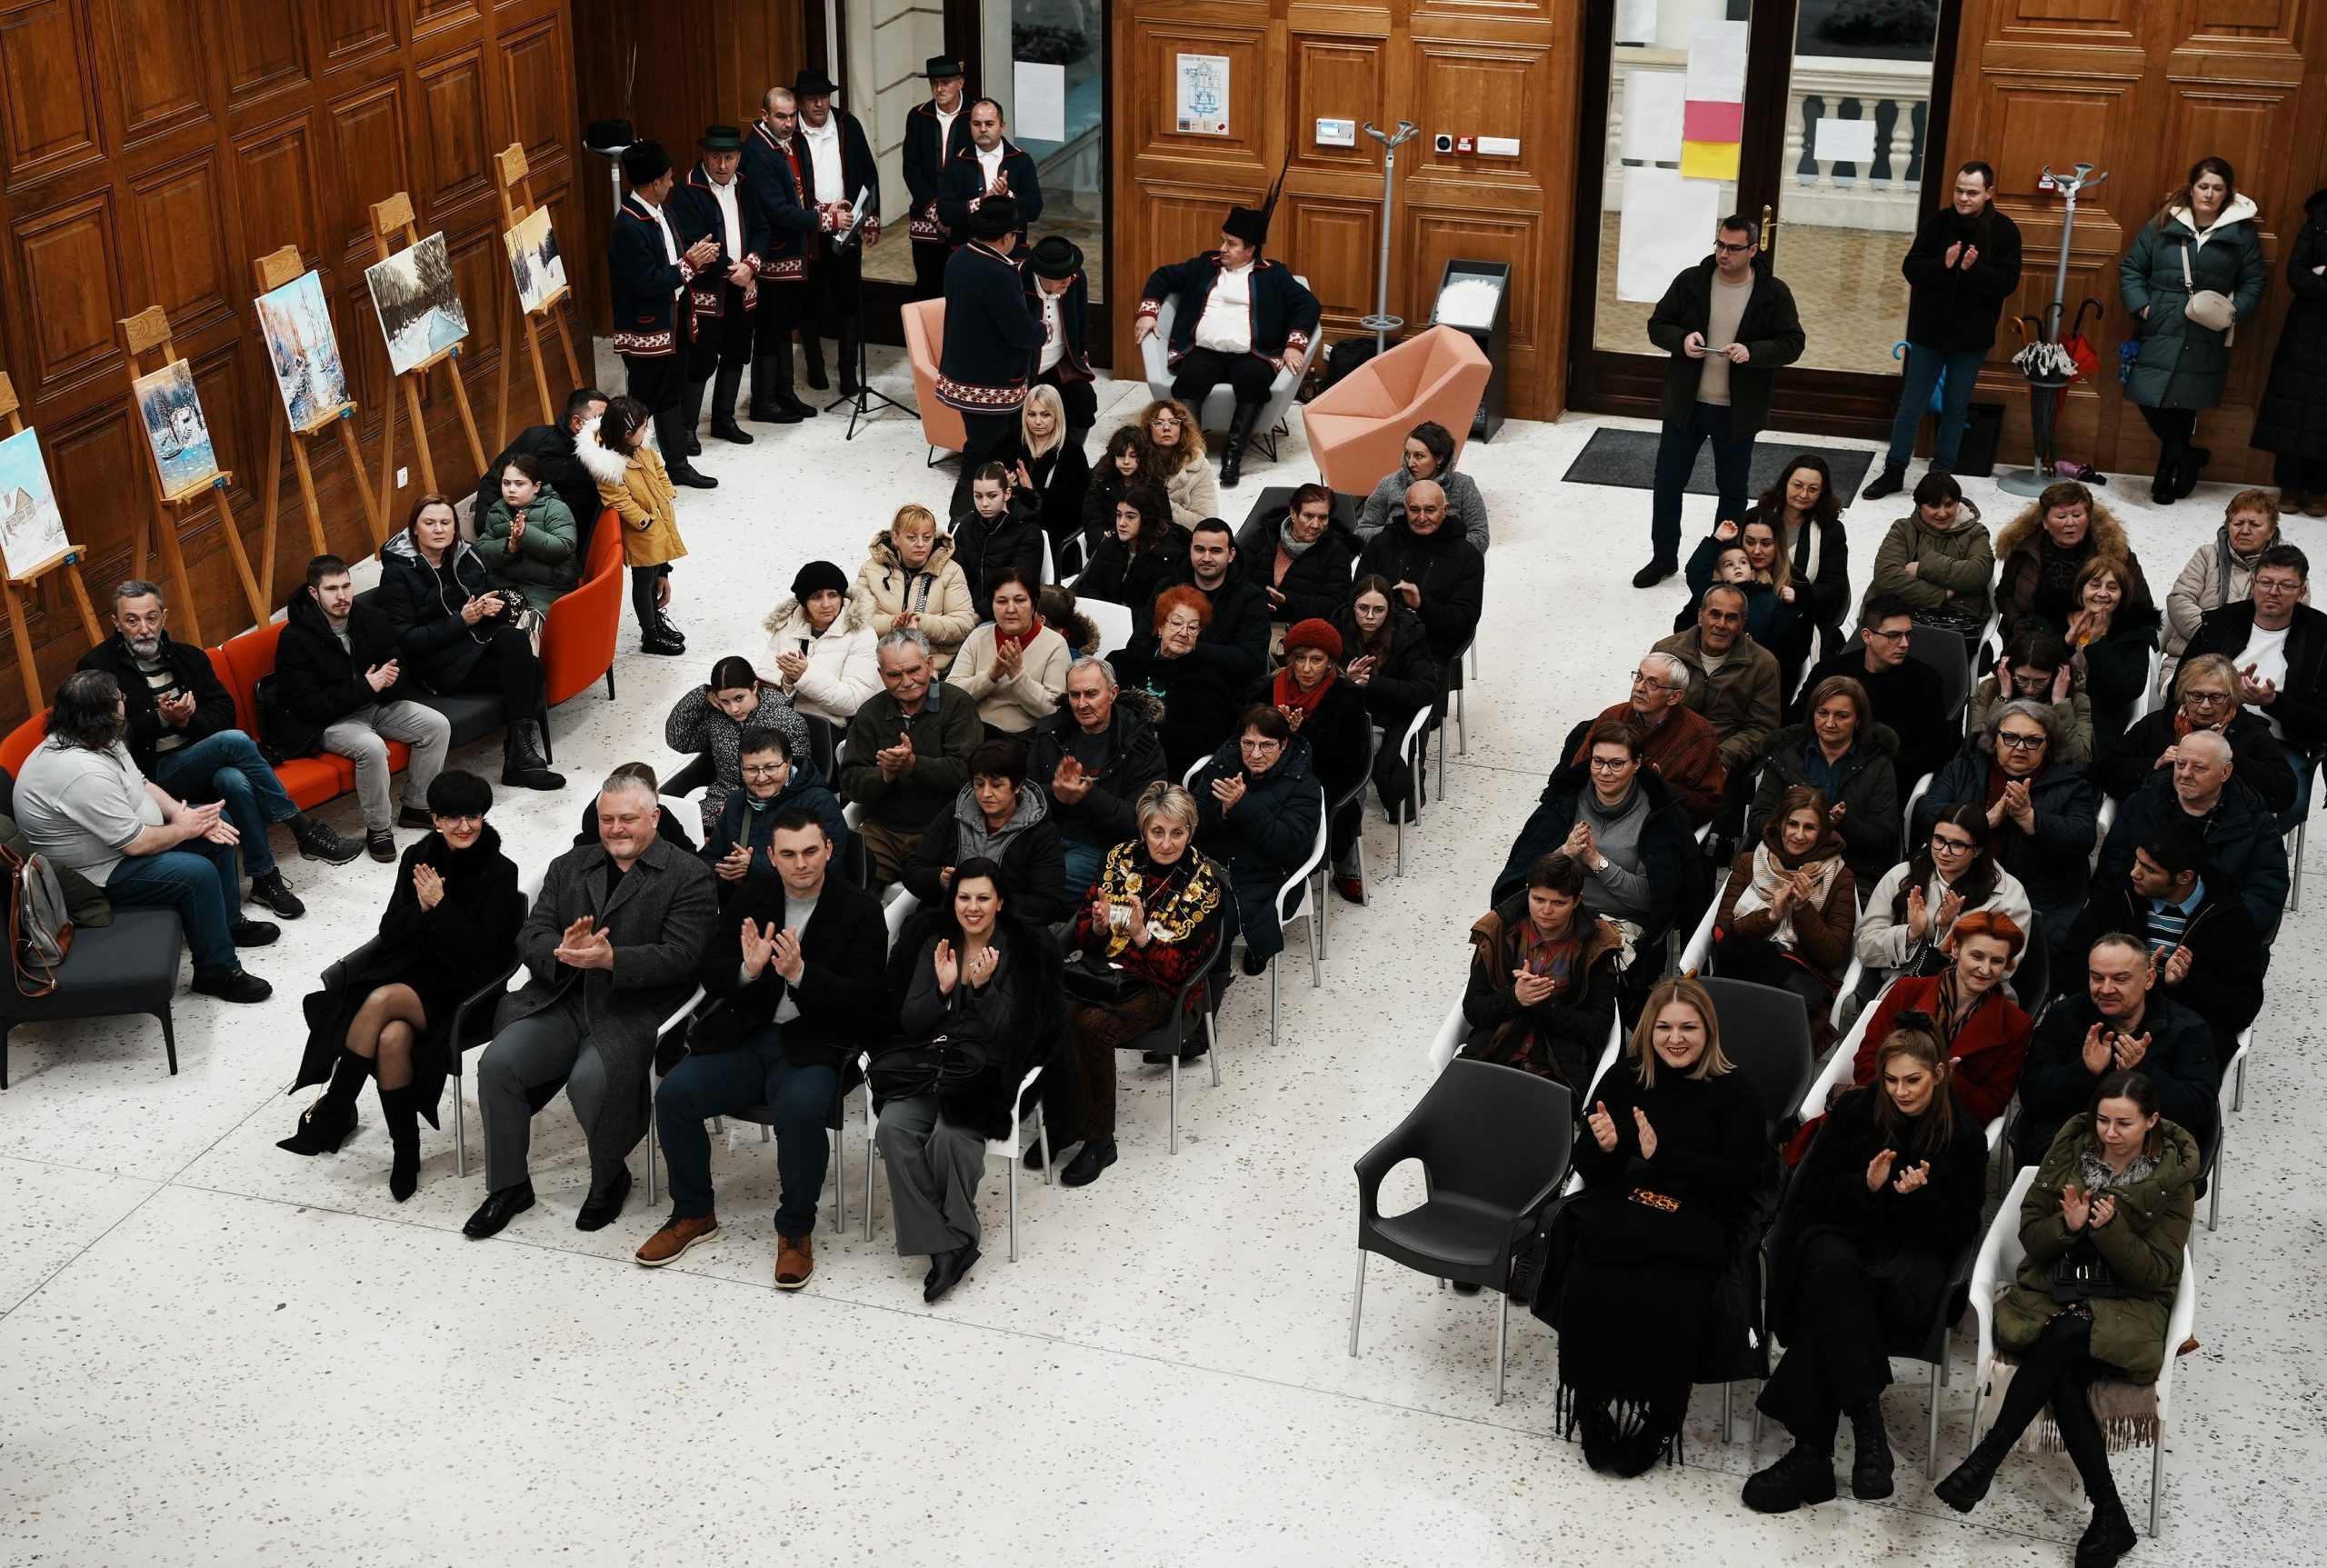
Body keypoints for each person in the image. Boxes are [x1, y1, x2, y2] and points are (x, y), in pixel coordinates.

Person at [1936, 1072, 2196, 1566]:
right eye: (2103, 1120)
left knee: (2066, 1332)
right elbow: (2031, 1236)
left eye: (2124, 1123)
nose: (2110, 1133)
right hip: (2058, 1288)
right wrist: (2068, 1226)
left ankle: (1988, 1457)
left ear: (2152, 1121)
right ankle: (2111, 1515)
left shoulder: (2172, 1179)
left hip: (2132, 1304)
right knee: (2064, 1371)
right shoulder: (2071, 1151)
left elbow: (2159, 1272)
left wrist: (2111, 1231)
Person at [464, 772, 719, 1241]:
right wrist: (561, 950)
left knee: (590, 1082)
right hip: (562, 998)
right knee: (498, 1065)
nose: (616, 828)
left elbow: (684, 957)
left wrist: (612, 959)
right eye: (607, 819)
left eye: (628, 819)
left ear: (654, 818)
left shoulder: (689, 875)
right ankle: (509, 1185)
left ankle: (609, 1178)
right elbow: (531, 934)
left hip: (633, 1009)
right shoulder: (569, 866)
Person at [1743, 1022, 1986, 1513]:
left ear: (1939, 1074)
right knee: (1831, 1268)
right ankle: (1867, 1425)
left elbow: (1961, 1232)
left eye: (1913, 1080)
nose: (1900, 1091)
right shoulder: (1856, 1112)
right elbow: (1810, 1198)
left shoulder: (1964, 1138)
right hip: (1844, 1240)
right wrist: (1867, 1186)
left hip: (1906, 1266)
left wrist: (1920, 1199)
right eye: (1891, 1079)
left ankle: (1812, 1456)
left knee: (1830, 1307)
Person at [642, 808, 884, 1287]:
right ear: (771, 856)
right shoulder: (752, 897)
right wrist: (747, 971)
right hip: (746, 1035)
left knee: (799, 1111)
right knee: (674, 1095)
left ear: (829, 850)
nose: (801, 863)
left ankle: (795, 1231)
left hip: (813, 1042)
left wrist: (802, 975)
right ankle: (694, 1213)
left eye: (810, 851)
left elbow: (866, 997)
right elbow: (712, 969)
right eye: (789, 854)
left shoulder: (860, 910)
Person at [1543, 976, 1765, 1474]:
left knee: (1667, 1297)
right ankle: (1592, 1402)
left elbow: (1736, 1178)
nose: (1675, 1038)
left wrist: (1663, 1154)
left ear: (1708, 1031)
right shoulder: (1625, 1079)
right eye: (1664, 1027)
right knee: (1591, 1283)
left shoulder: (1736, 1092)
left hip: (1698, 1216)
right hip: (1626, 1207)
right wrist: (1602, 1147)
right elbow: (1590, 1166)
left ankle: (1663, 1415)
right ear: (1648, 1030)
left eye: (1689, 1027)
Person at [280, 770, 524, 1198]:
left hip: (468, 989)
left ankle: (334, 1111)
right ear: (436, 819)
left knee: (380, 1000)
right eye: (453, 817)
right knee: (391, 1038)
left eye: (473, 816)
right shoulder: (418, 857)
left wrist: (441, 907)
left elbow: (484, 952)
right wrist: (423, 910)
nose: (464, 826)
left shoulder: (501, 871)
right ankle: (406, 1151)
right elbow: (390, 931)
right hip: (413, 972)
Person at [82, 580, 360, 910]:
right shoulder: (96, 668)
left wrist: (186, 722)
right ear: (116, 622)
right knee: (234, 741)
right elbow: (105, 737)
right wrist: (161, 720)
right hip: (150, 778)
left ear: (164, 617)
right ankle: (302, 827)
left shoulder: (189, 657)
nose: (144, 629)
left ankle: (264, 878)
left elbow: (225, 713)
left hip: (202, 763)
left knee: (234, 779)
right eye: (132, 620)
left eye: (151, 618)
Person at [13, 670, 275, 1003]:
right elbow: (136, 844)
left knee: (215, 822)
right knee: (196, 873)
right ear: (103, 712)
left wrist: (182, 815)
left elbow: (142, 783)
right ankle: (217, 971)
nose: (125, 702)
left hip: (122, 847)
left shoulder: (99, 737)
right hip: (98, 875)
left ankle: (228, 923)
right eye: (119, 698)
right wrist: (186, 829)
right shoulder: (79, 771)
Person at [875, 858, 1064, 1301]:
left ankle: (948, 1242)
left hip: (989, 1071)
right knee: (893, 1127)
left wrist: (983, 989)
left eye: (983, 898)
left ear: (1000, 902)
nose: (972, 907)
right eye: (964, 897)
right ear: (953, 899)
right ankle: (952, 1243)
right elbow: (910, 1020)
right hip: (931, 1064)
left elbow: (1017, 1034)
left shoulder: (1023, 949)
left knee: (950, 1137)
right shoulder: (935, 941)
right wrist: (941, 990)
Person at [1058, 784, 1228, 1183]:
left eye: (1177, 833)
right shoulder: (1119, 859)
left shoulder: (1205, 883)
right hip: (1104, 971)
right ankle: (1064, 1119)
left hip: (1161, 986)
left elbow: (1184, 971)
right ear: (1143, 830)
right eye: (1157, 832)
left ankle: (1100, 1140)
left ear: (1191, 832)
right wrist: (1098, 927)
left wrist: (1141, 937)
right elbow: (1083, 932)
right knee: (1055, 1015)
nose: (1166, 843)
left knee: (1093, 1027)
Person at [1635, 215, 1806, 587]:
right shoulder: (1691, 281)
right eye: (1719, 244)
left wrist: (1753, 352)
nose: (1723, 253)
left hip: (1737, 412)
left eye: (1733, 248)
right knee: (1667, 483)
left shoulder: (1772, 292)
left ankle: (1723, 562)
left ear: (1753, 250)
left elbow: (1793, 343)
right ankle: (1663, 558)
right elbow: (1658, 325)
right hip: (1687, 406)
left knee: (1732, 491)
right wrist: (1681, 340)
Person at [1134, 185, 1321, 487]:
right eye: (1223, 240)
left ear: (1250, 250)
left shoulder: (1274, 274)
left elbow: (1307, 304)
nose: (1222, 248)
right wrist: (1148, 312)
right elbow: (1163, 276)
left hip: (1252, 354)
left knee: (1254, 380)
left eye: (1231, 244)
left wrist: (1294, 345)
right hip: (1202, 352)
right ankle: (1191, 454)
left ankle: (1234, 455)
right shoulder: (1204, 265)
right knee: (1189, 379)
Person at [375, 494, 563, 790]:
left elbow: (496, 596)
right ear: (415, 530)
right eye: (429, 523)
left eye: (445, 522)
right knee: (529, 666)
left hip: (476, 647)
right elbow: (408, 641)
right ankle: (519, 761)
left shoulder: (468, 555)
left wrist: (496, 607)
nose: (439, 529)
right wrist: (461, 620)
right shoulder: (397, 574)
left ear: (455, 527)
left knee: (525, 657)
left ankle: (519, 758)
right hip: (436, 666)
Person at [272, 554, 453, 862]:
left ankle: (417, 806)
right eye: (332, 589)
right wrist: (367, 686)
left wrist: (391, 681)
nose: (342, 596)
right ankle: (378, 829)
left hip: (376, 704)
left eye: (346, 586)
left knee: (437, 725)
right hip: (331, 720)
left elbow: (399, 665)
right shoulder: (294, 639)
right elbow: (308, 704)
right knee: (371, 747)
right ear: (314, 593)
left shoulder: (371, 618)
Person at [1863, 161, 2025, 500]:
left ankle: (1940, 478)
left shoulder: (2005, 231)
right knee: (1910, 407)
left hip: (1972, 339)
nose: (1963, 198)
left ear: (1989, 193)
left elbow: (2006, 283)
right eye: (1959, 190)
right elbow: (1912, 268)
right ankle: (1894, 472)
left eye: (1972, 192)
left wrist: (1972, 269)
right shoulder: (1938, 222)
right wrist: (1945, 264)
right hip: (1928, 334)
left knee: (1955, 409)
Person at [2119, 155, 2269, 504]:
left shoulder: (2241, 232)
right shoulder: (2164, 222)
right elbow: (2132, 268)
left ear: (2228, 193)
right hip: (2162, 323)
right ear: (2192, 188)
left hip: (2207, 329)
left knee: (2184, 402)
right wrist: (2144, 306)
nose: (2209, 194)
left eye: (2218, 188)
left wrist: (2234, 312)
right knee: (2148, 397)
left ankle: (2165, 473)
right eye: (2203, 186)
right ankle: (2186, 455)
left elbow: (2254, 281)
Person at [1492, 720, 1706, 962]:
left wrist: (1597, 861)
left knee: (1571, 967)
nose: (1604, 772)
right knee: (1496, 948)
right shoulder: (1565, 802)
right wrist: (1565, 852)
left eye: (1616, 764)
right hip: (1553, 914)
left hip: (1617, 923)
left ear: (1636, 764)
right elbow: (1526, 878)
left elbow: (1650, 899)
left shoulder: (1659, 816)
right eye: (1598, 761)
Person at [2013, 934, 2220, 1170]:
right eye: (2097, 978)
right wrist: (2084, 1070)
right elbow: (2032, 1095)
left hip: (2151, 1150)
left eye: (2120, 979)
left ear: (2149, 979)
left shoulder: (2188, 1029)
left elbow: (2196, 1110)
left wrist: (2142, 1072)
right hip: (2068, 1144)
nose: (2106, 989)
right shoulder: (2064, 1016)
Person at [2067, 820, 2262, 1064]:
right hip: (2106, 1023)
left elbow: (2243, 1006)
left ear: (2184, 877)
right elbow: (2068, 966)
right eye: (2137, 861)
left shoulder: (2230, 918)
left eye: (2150, 869)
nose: (2135, 873)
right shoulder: (2114, 899)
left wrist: (2185, 982)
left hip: (2183, 1037)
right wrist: (2124, 983)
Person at [1912, 700, 2096, 955]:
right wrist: (1982, 821)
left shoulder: (2071, 783)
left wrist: (2031, 818)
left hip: (2037, 896)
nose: (2020, 748)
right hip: (1957, 886)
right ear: (1994, 739)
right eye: (2010, 737)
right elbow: (1924, 813)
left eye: (2032, 741)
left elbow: (2083, 837)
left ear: (2048, 745)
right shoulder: (1964, 768)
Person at [2182, 541, 2327, 833]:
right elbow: (2182, 683)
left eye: (2286, 586)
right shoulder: (2220, 622)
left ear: (2302, 591)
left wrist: (2273, 702)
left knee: (2293, 803)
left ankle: (2242, 849)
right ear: (2252, 583)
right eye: (2266, 582)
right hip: (2207, 732)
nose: (2273, 592)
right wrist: (2225, 692)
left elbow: (2322, 720)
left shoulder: (2321, 637)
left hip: (2279, 745)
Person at [1842, 912, 2032, 1128]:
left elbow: (1992, 1105)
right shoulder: (1906, 991)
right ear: (1955, 949)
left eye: (1997, 961)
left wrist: (1948, 1080)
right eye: (1977, 956)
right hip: (1883, 1111)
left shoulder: (2016, 1025)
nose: (1985, 969)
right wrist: (1904, 1092)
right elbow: (1866, 1062)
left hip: (1947, 1127)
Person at [1458, 850, 1623, 1094]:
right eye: (1538, 899)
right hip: (1493, 1051)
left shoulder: (1597, 944)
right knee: (1454, 1107)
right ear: (1528, 892)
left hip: (1560, 1066)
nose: (1546, 910)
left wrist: (1544, 1004)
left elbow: (1598, 1028)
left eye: (1558, 903)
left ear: (1577, 900)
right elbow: (1473, 1010)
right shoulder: (1496, 930)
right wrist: (1514, 997)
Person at [2095, 728, 2287, 937]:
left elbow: (2266, 891)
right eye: (2180, 764)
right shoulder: (2142, 804)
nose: (2185, 774)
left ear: (2225, 772)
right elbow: (2112, 868)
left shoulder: (2255, 824)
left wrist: (2218, 932)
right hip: (2135, 926)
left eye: (2199, 767)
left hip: (2218, 935)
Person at [607, 140, 719, 488]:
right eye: (668, 177)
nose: (673, 182)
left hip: (674, 323)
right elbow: (648, 282)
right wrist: (690, 265)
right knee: (642, 404)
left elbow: (677, 261)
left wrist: (698, 258)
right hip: (647, 332)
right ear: (655, 182)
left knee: (671, 395)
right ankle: (623, 473)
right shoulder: (628, 226)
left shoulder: (664, 212)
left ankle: (678, 466)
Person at [838, 629, 984, 894]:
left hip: (944, 829)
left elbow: (967, 772)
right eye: (894, 675)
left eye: (914, 670)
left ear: (930, 664)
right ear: (881, 675)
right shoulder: (870, 713)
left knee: (951, 891)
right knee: (846, 883)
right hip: (883, 830)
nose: (906, 682)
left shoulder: (957, 704)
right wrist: (885, 775)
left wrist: (914, 765)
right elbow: (850, 782)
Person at [1191, 704, 1323, 975]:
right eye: (1248, 744)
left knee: (1211, 927)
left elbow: (1289, 846)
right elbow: (1191, 821)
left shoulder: (1303, 785)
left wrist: (1242, 806)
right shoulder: (1225, 763)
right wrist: (1222, 812)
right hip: (1211, 865)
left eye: (1266, 745)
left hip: (1265, 879)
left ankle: (1209, 994)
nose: (1255, 754)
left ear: (1283, 744)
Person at [1715, 784, 1856, 1034]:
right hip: (1743, 968)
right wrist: (1770, 917)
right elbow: (1721, 933)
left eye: (1809, 828)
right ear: (1780, 823)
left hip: (1796, 981)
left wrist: (1802, 909)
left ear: (1823, 831)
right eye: (1793, 824)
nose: (1799, 835)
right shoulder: (1749, 862)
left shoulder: (1840, 876)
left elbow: (1834, 955)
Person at [1026, 655, 1169, 902]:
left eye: (1091, 694)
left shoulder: (1140, 744)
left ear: (1113, 693)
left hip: (1103, 848)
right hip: (1045, 837)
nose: (1082, 704)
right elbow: (1024, 795)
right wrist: (1058, 794)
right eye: (1074, 695)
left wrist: (1087, 795)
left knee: (1038, 882)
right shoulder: (1052, 733)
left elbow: (1141, 820)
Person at [1251, 619, 1370, 902]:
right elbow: (1244, 735)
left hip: (1324, 778)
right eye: (1300, 659)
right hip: (1267, 773)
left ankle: (1337, 867)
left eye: (1316, 660)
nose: (1306, 668)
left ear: (1329, 663)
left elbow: (1349, 763)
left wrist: (1302, 732)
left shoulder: (1347, 697)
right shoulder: (1266, 689)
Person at [1745, 676, 1901, 890]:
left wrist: (1841, 822)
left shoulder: (1878, 763)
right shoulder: (1786, 754)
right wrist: (1789, 813)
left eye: (1841, 716)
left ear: (1858, 720)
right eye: (1823, 713)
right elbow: (1756, 823)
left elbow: (1882, 840)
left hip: (1849, 873)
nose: (1829, 723)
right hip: (1781, 867)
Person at [2094, 652, 2295, 814]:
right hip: (2155, 823)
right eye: (2196, 695)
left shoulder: (2250, 731)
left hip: (2223, 831)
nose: (2205, 705)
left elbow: (2285, 793)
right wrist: (2155, 765)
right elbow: (2109, 773)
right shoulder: (2158, 723)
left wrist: (2226, 759)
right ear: (2183, 694)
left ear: (2232, 697)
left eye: (2216, 697)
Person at [667, 125, 768, 451]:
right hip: (709, 293)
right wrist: (732, 270)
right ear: (705, 155)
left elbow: (763, 228)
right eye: (715, 157)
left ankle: (724, 419)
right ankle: (687, 428)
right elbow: (695, 241)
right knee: (701, 360)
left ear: (738, 156)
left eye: (729, 157)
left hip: (744, 287)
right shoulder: (688, 189)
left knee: (737, 354)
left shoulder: (747, 185)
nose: (722, 165)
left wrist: (751, 264)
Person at [1854, 803, 2034, 983]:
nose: (1945, 852)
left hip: (1974, 991)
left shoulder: (2009, 893)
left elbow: (2005, 969)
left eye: (1957, 844)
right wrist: (1910, 934)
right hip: (1904, 983)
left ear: (1978, 850)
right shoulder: (1902, 876)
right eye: (1939, 840)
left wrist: (1950, 930)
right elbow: (1864, 946)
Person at [938, 199, 1044, 495]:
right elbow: (1021, 333)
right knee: (986, 455)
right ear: (1008, 236)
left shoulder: (959, 256)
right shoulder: (998, 273)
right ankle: (963, 512)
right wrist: (1043, 330)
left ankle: (995, 509)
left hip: (962, 373)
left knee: (984, 447)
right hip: (990, 383)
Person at [1796, 599, 1952, 795]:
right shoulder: (1829, 671)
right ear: (1867, 636)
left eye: (1908, 634)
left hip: (1888, 783)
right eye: (1894, 636)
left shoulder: (1925, 681)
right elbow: (1797, 721)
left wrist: (1879, 769)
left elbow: (1938, 747)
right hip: (1819, 774)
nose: (1904, 644)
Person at [789, 69, 882, 398]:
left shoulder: (847, 124)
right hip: (809, 229)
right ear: (800, 102)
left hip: (846, 225)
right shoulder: (791, 132)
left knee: (849, 301)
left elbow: (868, 172)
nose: (819, 104)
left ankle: (848, 371)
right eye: (812, 98)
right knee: (809, 301)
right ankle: (815, 365)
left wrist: (871, 218)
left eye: (824, 97)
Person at [904, 737, 1066, 924]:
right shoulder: (955, 813)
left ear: (1018, 786)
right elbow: (913, 871)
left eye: (996, 785)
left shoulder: (1040, 830)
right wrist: (940, 879)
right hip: (946, 919)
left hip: (1008, 928)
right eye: (979, 784)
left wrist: (994, 900)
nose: (986, 793)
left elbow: (1049, 904)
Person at [577, 394, 691, 654]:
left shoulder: (641, 446)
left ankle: (655, 621)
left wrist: (667, 492)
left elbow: (659, 469)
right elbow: (618, 500)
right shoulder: (608, 466)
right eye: (643, 427)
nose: (647, 431)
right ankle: (650, 634)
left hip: (657, 519)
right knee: (643, 580)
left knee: (655, 574)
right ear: (627, 434)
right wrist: (645, 521)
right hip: (642, 531)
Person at [1563, 653, 1725, 828]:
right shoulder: (1612, 717)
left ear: (1674, 697)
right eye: (1639, 677)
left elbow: (1708, 806)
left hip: (1657, 826)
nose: (1639, 688)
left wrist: (1661, 787)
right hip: (1594, 818)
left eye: (1652, 683)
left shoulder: (1700, 734)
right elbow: (1573, 779)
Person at [739, 86, 823, 424]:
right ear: (764, 115)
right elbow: (777, 210)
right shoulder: (757, 152)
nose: (789, 123)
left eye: (792, 116)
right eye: (781, 116)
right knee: (770, 328)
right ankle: (763, 401)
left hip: (791, 255)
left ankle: (784, 392)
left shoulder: (788, 142)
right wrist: (822, 220)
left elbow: (799, 195)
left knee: (785, 324)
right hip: (772, 256)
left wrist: (822, 209)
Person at [1653, 584, 1783, 800]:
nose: (1721, 624)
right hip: (1665, 752)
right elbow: (1642, 707)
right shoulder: (1666, 652)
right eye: (1715, 614)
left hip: (1722, 760)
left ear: (1742, 623)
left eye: (1731, 618)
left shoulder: (1763, 665)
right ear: (1700, 616)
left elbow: (1762, 729)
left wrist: (1724, 757)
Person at [1333, 574, 1442, 827]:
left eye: (1378, 610)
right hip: (1346, 712)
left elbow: (1426, 689)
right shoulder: (1337, 628)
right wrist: (1346, 680)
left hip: (1391, 716)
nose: (1370, 616)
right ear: (1352, 607)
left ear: (1389, 610)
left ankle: (1347, 827)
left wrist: (1372, 683)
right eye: (1363, 608)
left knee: (1366, 769)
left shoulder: (1407, 634)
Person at [2161, 489, 2293, 691]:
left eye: (2255, 524)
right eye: (2238, 523)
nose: (2245, 530)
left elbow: (2292, 618)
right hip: (2189, 662)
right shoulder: (2207, 555)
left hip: (2255, 670)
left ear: (2271, 531)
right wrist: (2213, 635)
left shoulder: (2289, 568)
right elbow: (2179, 599)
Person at [663, 654, 814, 830]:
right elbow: (678, 740)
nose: (733, 708)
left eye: (739, 698)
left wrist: (745, 805)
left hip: (770, 806)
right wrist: (701, 696)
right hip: (719, 803)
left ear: (754, 687)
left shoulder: (787, 721)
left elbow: (798, 777)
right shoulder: (718, 718)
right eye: (724, 701)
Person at [1108, 587, 1242, 779]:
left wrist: (1162, 734)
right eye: (1177, 623)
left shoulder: (1207, 679)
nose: (1183, 632)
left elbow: (1213, 735)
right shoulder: (1124, 662)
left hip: (1167, 765)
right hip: (1112, 753)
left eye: (1193, 627)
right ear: (1160, 626)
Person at [1354, 479, 1485, 666]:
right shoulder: (1382, 543)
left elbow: (1464, 621)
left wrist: (1421, 605)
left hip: (1429, 653)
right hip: (1372, 647)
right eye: (1415, 510)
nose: (1422, 518)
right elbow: (1355, 595)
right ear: (1405, 509)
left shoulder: (1467, 556)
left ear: (1445, 510)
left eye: (1430, 510)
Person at [699, 729, 847, 891]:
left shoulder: (818, 802)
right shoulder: (737, 802)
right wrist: (730, 872)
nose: (762, 778)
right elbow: (708, 857)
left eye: (770, 767)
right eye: (752, 769)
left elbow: (829, 865)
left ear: (788, 763)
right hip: (740, 899)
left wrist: (753, 868)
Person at [2254, 185, 2327, 514]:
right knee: (2291, 406)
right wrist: (2315, 275)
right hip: (2304, 329)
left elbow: (2311, 278)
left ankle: (2320, 488)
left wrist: (2323, 272)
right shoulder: (2318, 219)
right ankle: (2290, 485)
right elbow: (2296, 275)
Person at [1742, 455, 1852, 673]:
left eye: (1813, 489)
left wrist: (1799, 595)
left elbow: (1834, 586)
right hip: (1750, 605)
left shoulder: (1831, 530)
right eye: (1798, 485)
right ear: (1785, 483)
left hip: (1801, 614)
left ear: (1822, 492)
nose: (1803, 494)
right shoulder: (1757, 518)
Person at [1140, 517, 1270, 684]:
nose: (1207, 558)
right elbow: (1139, 641)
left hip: (1222, 688)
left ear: (1231, 554)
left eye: (1216, 551)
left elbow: (1252, 659)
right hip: (1163, 678)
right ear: (1190, 549)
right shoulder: (1166, 587)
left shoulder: (1251, 598)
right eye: (1200, 549)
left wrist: (1192, 648)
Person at [1864, 471, 1991, 636]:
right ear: (1918, 506)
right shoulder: (1902, 529)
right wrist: (1942, 594)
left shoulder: (1976, 532)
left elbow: (1979, 572)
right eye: (1934, 506)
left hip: (1957, 624)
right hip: (1896, 618)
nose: (1942, 513)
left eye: (1949, 504)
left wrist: (1922, 567)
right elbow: (1886, 576)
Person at [947, 569, 1071, 737]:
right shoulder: (978, 637)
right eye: (1002, 601)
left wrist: (1018, 675)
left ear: (1034, 605)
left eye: (1020, 600)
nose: (1011, 609)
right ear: (992, 606)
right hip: (974, 732)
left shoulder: (1055, 644)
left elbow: (1054, 709)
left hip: (1026, 737)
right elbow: (951, 696)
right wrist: (990, 677)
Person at [856, 503, 976, 674]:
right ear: (896, 538)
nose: (920, 544)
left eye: (927, 538)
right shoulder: (871, 570)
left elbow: (963, 624)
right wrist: (892, 624)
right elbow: (856, 618)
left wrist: (921, 623)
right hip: (880, 663)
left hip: (933, 665)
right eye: (912, 538)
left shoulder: (952, 571)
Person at [760, 560, 879, 724]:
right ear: (805, 603)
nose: (826, 604)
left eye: (832, 595)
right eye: (816, 597)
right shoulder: (787, 629)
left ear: (841, 596)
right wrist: (787, 682)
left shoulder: (861, 634)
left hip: (830, 728)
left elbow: (856, 701)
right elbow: (764, 688)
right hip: (782, 723)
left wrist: (805, 675)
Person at [473, 387, 608, 530]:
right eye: (601, 418)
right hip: (510, 526)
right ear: (578, 422)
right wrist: (486, 526)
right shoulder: (536, 438)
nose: (608, 424)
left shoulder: (605, 458)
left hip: (559, 534)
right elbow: (493, 481)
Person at [1353, 420, 1490, 554]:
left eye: (1419, 456)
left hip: (1445, 563)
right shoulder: (1389, 484)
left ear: (1439, 458)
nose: (1410, 463)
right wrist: (1397, 533)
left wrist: (1436, 545)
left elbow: (1480, 537)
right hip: (1395, 560)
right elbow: (1362, 534)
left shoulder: (1463, 485)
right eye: (1408, 454)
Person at [1235, 482, 1360, 628]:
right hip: (1250, 619)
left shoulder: (1336, 551)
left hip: (1301, 629)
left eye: (1323, 518)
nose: (1316, 525)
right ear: (1293, 514)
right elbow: (1237, 576)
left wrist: (1287, 601)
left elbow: (1335, 604)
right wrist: (1257, 600)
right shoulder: (1266, 535)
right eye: (1308, 516)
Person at [2064, 554, 2162, 738]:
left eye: (2112, 588)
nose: (2102, 593)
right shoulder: (2053, 620)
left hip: (2100, 725)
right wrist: (2066, 645)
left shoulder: (2134, 632)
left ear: (2122, 595)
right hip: (2049, 714)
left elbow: (2129, 689)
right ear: (2081, 590)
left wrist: (2097, 645)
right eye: (2094, 585)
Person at [474, 453, 581, 615]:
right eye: (506, 483)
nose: (511, 489)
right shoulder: (497, 511)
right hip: (509, 583)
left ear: (536, 487)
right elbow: (481, 550)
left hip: (549, 587)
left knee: (517, 621)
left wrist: (526, 534)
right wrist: (509, 547)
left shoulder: (555, 508)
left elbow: (564, 547)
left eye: (519, 484)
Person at [901, 55, 972, 300]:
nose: (939, 88)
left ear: (960, 82)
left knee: (964, 286)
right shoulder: (918, 115)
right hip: (926, 216)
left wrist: (955, 213)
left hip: (963, 217)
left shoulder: (975, 115)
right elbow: (911, 168)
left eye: (945, 82)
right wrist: (935, 211)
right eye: (934, 83)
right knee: (928, 285)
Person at [935, 95, 1042, 255]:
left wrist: (1008, 196)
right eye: (977, 124)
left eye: (989, 123)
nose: (983, 129)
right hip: (968, 252)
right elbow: (945, 214)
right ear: (970, 126)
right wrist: (981, 202)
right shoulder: (957, 162)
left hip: (1012, 254)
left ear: (1002, 126)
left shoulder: (1021, 160)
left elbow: (1035, 210)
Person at [1971, 627, 2094, 764]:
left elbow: (2079, 757)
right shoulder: (1988, 690)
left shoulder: (2078, 701)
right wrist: (2004, 697)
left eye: (2040, 681)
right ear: (2010, 671)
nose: (2030, 689)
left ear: (2056, 675)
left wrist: (2060, 704)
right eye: (2022, 679)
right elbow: (1977, 748)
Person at [994, 385, 1088, 562]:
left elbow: (1075, 509)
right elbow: (985, 479)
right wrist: (1000, 482)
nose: (1037, 422)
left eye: (1045, 415)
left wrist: (1032, 491)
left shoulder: (1072, 453)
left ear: (1056, 416)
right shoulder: (1009, 443)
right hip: (1007, 524)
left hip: (1050, 534)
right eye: (1032, 414)